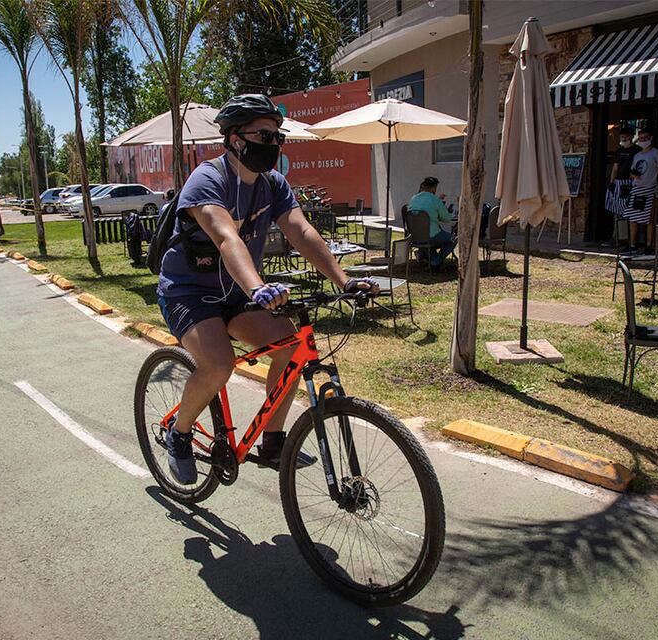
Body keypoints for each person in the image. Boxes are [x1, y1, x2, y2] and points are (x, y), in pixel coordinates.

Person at [156, 94, 379, 485]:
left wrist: (343, 281)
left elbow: (301, 231)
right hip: (188, 292)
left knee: (292, 346)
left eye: (279, 136)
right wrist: (258, 287)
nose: (274, 144)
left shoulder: (272, 185)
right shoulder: (208, 179)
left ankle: (273, 440)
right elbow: (227, 239)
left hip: (238, 294)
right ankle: (179, 433)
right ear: (236, 138)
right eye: (265, 135)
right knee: (219, 364)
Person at [622, 129, 658, 253]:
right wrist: (635, 175)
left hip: (649, 188)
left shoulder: (656, 153)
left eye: (645, 138)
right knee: (632, 218)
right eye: (640, 138)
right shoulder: (637, 155)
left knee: (649, 219)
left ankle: (649, 245)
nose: (643, 140)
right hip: (637, 188)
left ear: (651, 138)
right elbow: (631, 173)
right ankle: (632, 244)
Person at [407, 177, 455, 270]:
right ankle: (435, 261)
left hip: (415, 236)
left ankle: (424, 256)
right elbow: (446, 218)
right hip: (432, 235)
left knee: (430, 241)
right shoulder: (435, 200)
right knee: (453, 239)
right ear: (434, 188)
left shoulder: (413, 198)